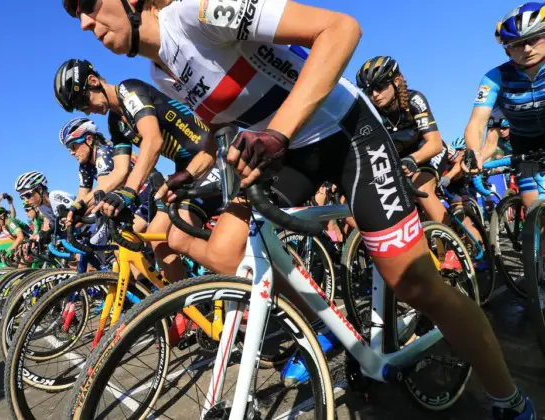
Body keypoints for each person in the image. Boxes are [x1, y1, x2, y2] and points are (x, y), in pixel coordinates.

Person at [64, 1, 533, 418]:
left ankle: (509, 399)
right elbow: (216, 123)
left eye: (87, 3)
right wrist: (191, 171)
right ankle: (322, 326)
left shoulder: (200, 11)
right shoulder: (161, 72)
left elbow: (341, 29)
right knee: (228, 253)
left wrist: (279, 133)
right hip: (286, 150)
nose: (85, 22)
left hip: (345, 133)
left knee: (413, 283)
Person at [54, 59, 221, 285]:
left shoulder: (128, 90)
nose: (87, 110)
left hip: (210, 158)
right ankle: (186, 314)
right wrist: (81, 204)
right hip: (185, 169)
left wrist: (129, 192)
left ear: (93, 82)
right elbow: (119, 173)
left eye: (84, 101)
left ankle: (239, 283)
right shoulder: (115, 122)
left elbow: (153, 140)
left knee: (178, 239)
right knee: (159, 242)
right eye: (81, 108)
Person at [465, 2, 545, 218]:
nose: (527, 49)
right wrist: (473, 155)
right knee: (536, 213)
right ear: (507, 49)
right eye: (517, 44)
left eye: (534, 38)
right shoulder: (494, 78)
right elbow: (477, 122)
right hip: (525, 148)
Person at [355, 56, 450, 225]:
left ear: (397, 81)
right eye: (369, 91)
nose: (374, 95)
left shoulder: (414, 99)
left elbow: (435, 143)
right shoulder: (373, 114)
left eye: (379, 87)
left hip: (428, 151)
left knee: (421, 187)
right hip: (402, 160)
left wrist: (413, 159)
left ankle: (454, 245)